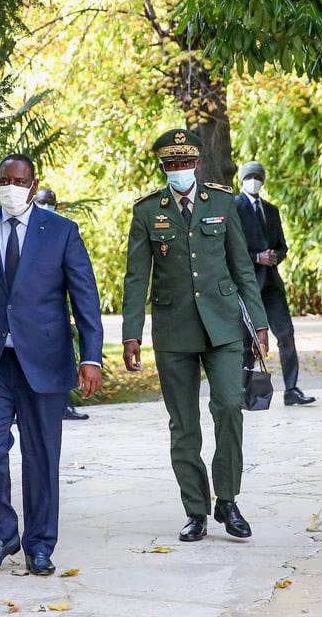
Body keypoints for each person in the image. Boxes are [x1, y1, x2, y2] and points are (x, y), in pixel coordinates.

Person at [0, 154, 104, 575]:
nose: (10, 187)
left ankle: (39, 545)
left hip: (44, 361)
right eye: (3, 179)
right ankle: (0, 534)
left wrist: (91, 356)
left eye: (18, 180)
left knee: (42, 456)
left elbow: (85, 298)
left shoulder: (62, 232)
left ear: (34, 186)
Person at [121, 129, 269, 542]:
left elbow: (242, 267)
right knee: (183, 424)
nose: (179, 171)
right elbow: (136, 278)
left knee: (228, 408)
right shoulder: (148, 210)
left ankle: (228, 499)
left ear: (197, 164)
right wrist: (132, 332)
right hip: (173, 330)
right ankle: (196, 510)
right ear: (163, 168)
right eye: (171, 165)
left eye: (185, 164)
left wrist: (259, 323)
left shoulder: (222, 202)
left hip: (222, 327)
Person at [235, 162, 315, 406]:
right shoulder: (233, 208)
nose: (254, 180)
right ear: (241, 179)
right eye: (249, 176)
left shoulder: (271, 210)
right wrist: (256, 257)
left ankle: (291, 389)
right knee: (248, 341)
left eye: (258, 176)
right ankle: (247, 392)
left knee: (286, 335)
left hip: (271, 284)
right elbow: (231, 249)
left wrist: (274, 256)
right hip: (248, 285)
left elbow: (283, 246)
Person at [36, 187, 92, 422]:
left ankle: (64, 404)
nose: (47, 206)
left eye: (51, 203)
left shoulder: (63, 229)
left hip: (56, 307)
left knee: (62, 354)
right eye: (43, 202)